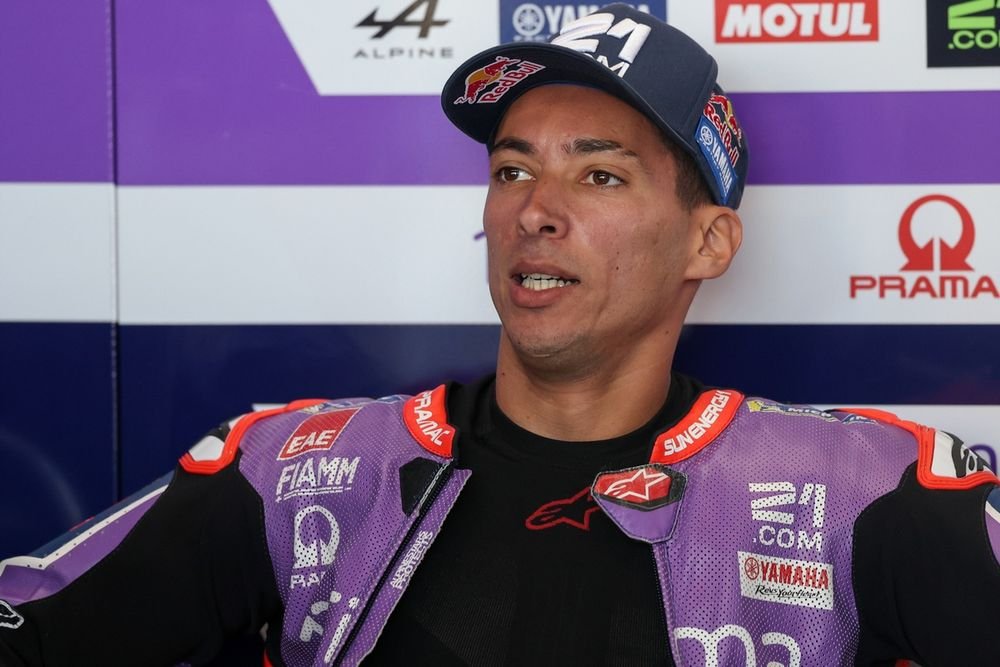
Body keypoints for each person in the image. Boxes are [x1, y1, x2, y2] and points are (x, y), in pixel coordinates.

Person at [2, 4, 999, 665]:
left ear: (707, 241)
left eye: (599, 175)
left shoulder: (862, 490)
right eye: (513, 170)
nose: (535, 210)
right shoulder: (300, 468)